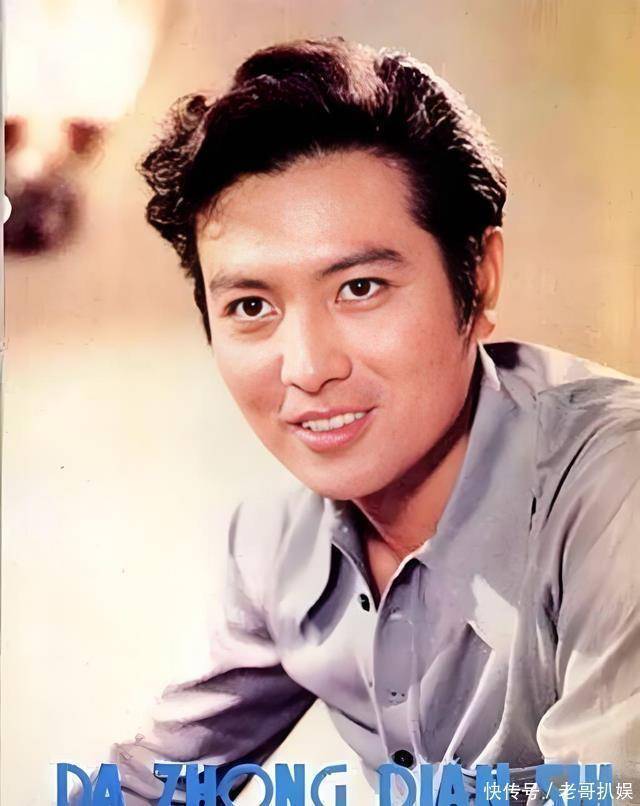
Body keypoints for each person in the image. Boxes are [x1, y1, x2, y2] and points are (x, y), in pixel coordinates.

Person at [105, 38, 640, 803]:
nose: (306, 367)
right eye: (251, 306)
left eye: (359, 288)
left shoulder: (616, 489)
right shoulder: (276, 545)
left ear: (479, 279)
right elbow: (149, 783)